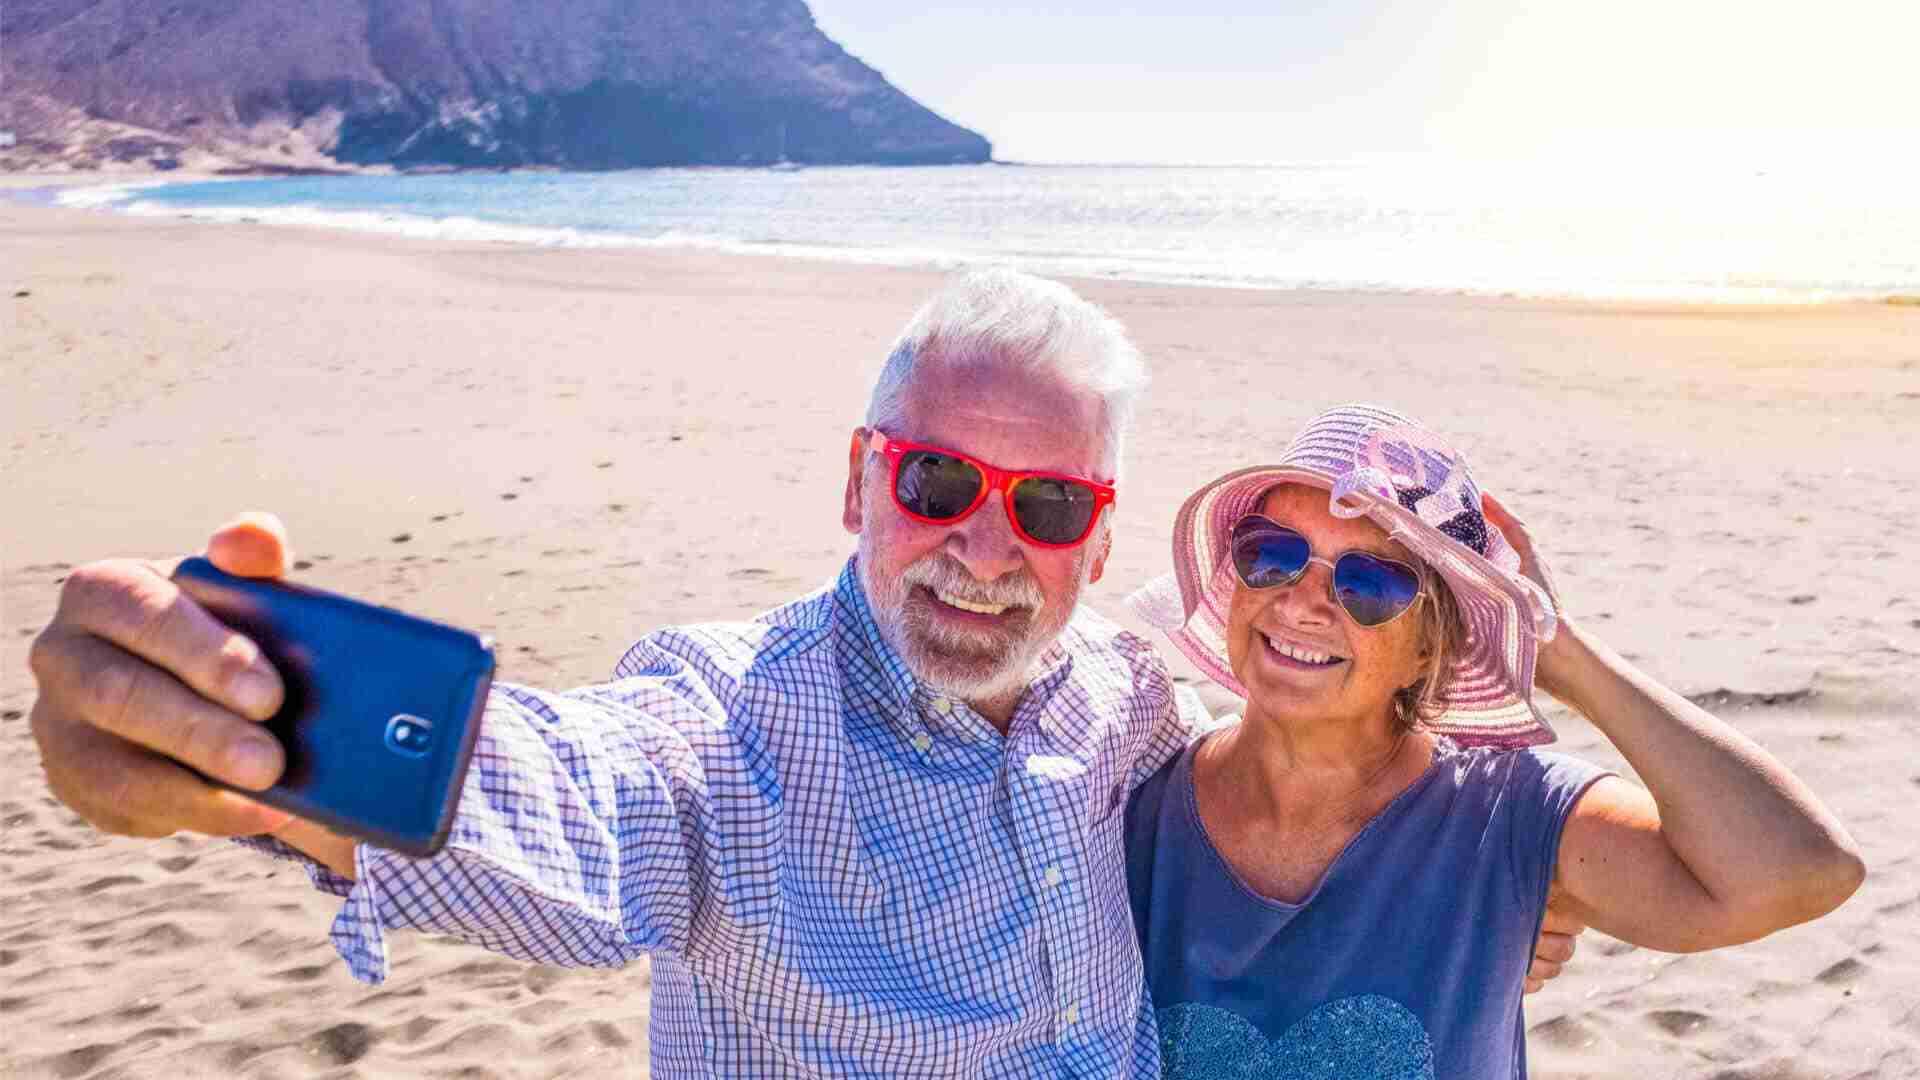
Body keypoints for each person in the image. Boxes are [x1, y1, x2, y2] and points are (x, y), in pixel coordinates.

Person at [28, 272, 1573, 1079]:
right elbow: (578, 791)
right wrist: (261, 764)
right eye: (937, 483)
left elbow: (1280, 800)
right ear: (858, 482)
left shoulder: (1127, 703)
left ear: (1099, 543)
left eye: (1043, 506)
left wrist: (1486, 894)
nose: (984, 547)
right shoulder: (729, 723)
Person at [1123, 404, 1866, 1078]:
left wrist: (1558, 648)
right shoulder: (1127, 806)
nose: (1302, 602)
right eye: (1272, 553)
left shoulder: (1506, 818)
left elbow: (1802, 871)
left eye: (1371, 583)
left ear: (1429, 649)